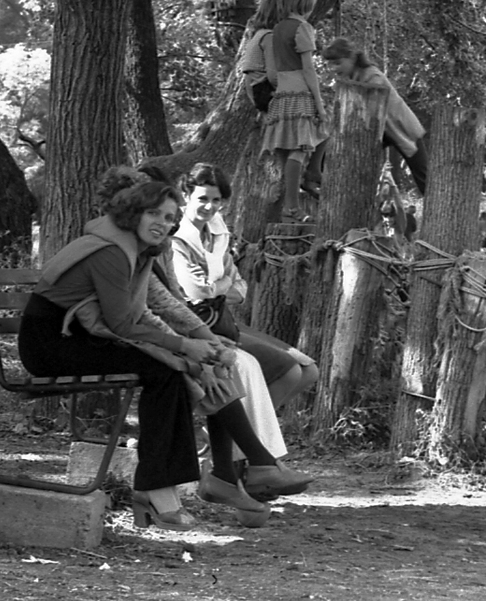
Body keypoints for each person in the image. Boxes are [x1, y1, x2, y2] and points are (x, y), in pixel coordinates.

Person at [18, 171, 307, 532]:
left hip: (84, 338)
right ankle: (170, 486)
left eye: (170, 217)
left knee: (178, 370)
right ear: (132, 211)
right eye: (154, 213)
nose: (163, 223)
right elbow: (125, 323)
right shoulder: (111, 251)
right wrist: (186, 346)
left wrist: (199, 345)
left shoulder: (134, 249)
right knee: (169, 370)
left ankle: (179, 485)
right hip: (53, 346)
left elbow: (150, 308)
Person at [169, 161, 321, 430]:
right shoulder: (177, 237)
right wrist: (222, 284)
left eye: (216, 200)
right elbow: (195, 291)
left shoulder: (218, 233)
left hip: (222, 322)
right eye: (202, 198)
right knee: (290, 371)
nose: (210, 206)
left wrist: (218, 286)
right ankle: (248, 445)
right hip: (191, 330)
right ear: (186, 195)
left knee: (308, 370)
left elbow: (240, 290)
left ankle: (248, 438)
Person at [319, 36, 428, 192]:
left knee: (424, 178)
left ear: (352, 58)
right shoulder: (351, 79)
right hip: (380, 131)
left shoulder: (372, 76)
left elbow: (370, 108)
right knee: (343, 158)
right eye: (331, 64)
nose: (334, 68)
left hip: (402, 128)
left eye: (338, 63)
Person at [261, 0, 327, 220]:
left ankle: (311, 176)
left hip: (281, 94)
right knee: (300, 147)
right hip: (300, 93)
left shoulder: (277, 29)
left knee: (296, 147)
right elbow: (309, 70)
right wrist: (319, 105)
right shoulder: (303, 28)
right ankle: (293, 206)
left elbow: (272, 71)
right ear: (308, 3)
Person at [235, 0, 280, 113]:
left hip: (256, 92)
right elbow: (273, 76)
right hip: (266, 92)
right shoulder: (269, 37)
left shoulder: (258, 35)